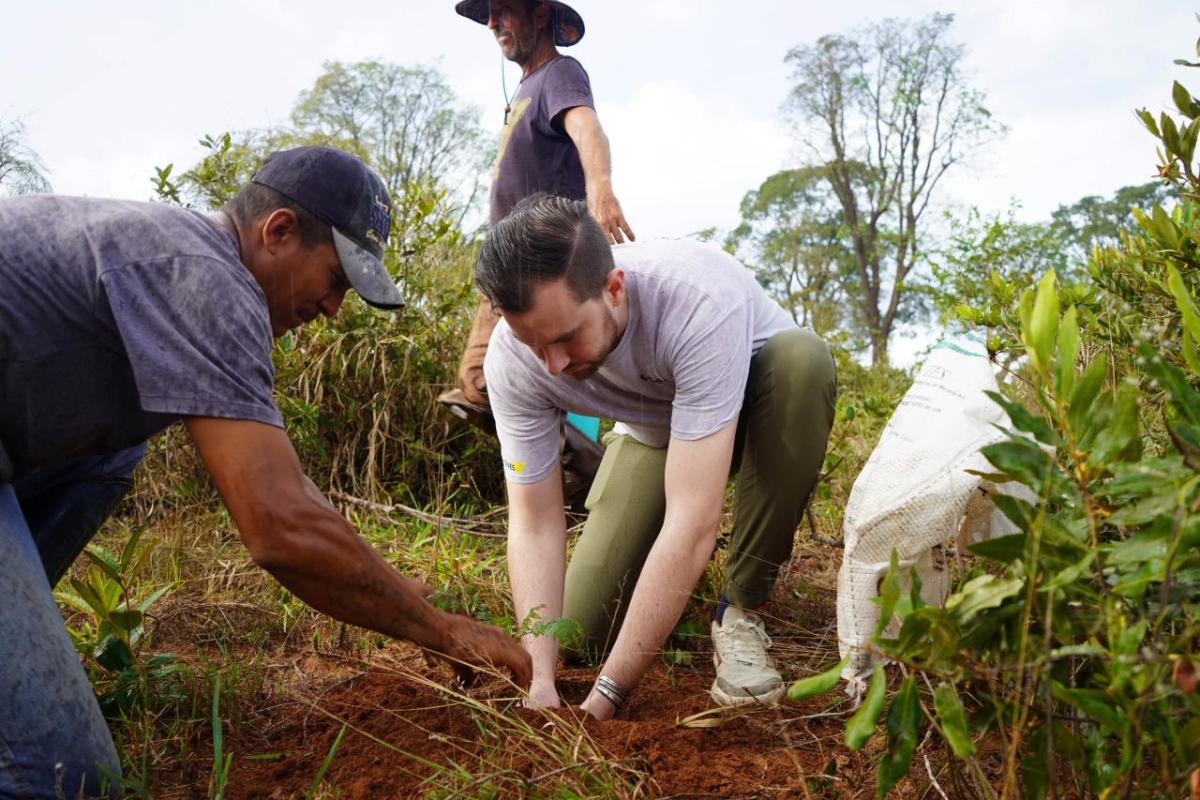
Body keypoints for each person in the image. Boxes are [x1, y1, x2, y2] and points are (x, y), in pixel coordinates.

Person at [0, 146, 531, 799]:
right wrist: (442, 633)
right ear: (278, 231)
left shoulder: (185, 257)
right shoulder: (210, 280)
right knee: (62, 776)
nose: (335, 308)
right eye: (336, 279)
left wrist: (398, 590)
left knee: (114, 447)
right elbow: (280, 526)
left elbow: (290, 488)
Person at [476, 194, 838, 720]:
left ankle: (740, 607)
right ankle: (661, 597)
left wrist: (606, 698)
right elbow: (533, 522)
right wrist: (540, 676)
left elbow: (693, 520)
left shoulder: (695, 300)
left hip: (764, 406)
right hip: (663, 427)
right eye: (534, 345)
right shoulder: (513, 357)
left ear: (613, 289)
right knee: (577, 628)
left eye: (565, 338)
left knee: (803, 360)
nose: (551, 365)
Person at [442, 0, 633, 452]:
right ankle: (573, 463)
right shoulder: (526, 86)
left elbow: (587, 127)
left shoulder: (560, 74)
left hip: (542, 257)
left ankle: (585, 461)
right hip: (507, 261)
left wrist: (601, 188)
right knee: (485, 381)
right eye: (488, 13)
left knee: (484, 381)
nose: (492, 22)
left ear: (541, 14)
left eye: (504, 9)